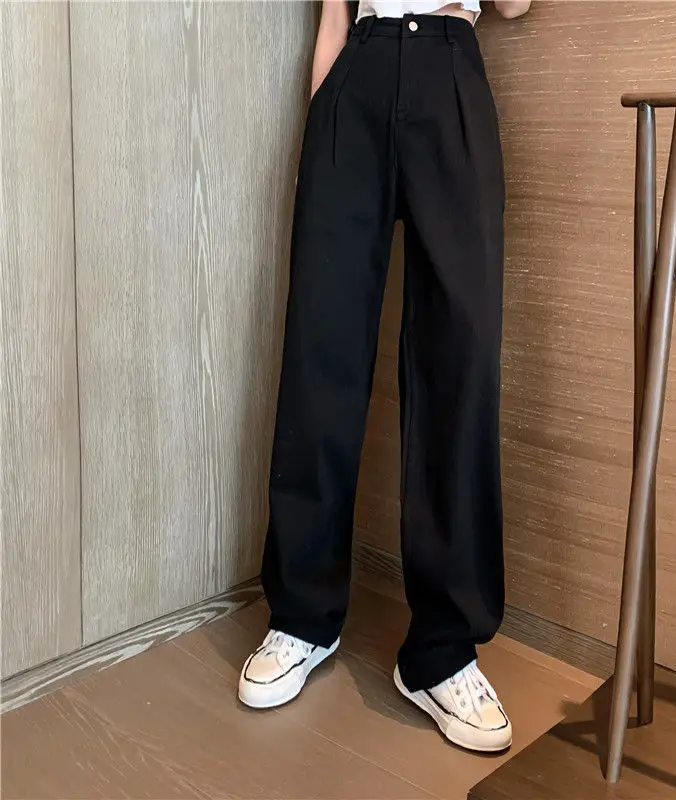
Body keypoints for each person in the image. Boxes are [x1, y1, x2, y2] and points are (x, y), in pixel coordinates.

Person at [239, 0, 531, 753]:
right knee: (321, 345)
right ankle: (302, 616)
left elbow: (515, 5)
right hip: (356, 76)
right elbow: (333, 22)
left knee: (460, 359)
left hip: (451, 71)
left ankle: (442, 652)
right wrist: (320, 135)